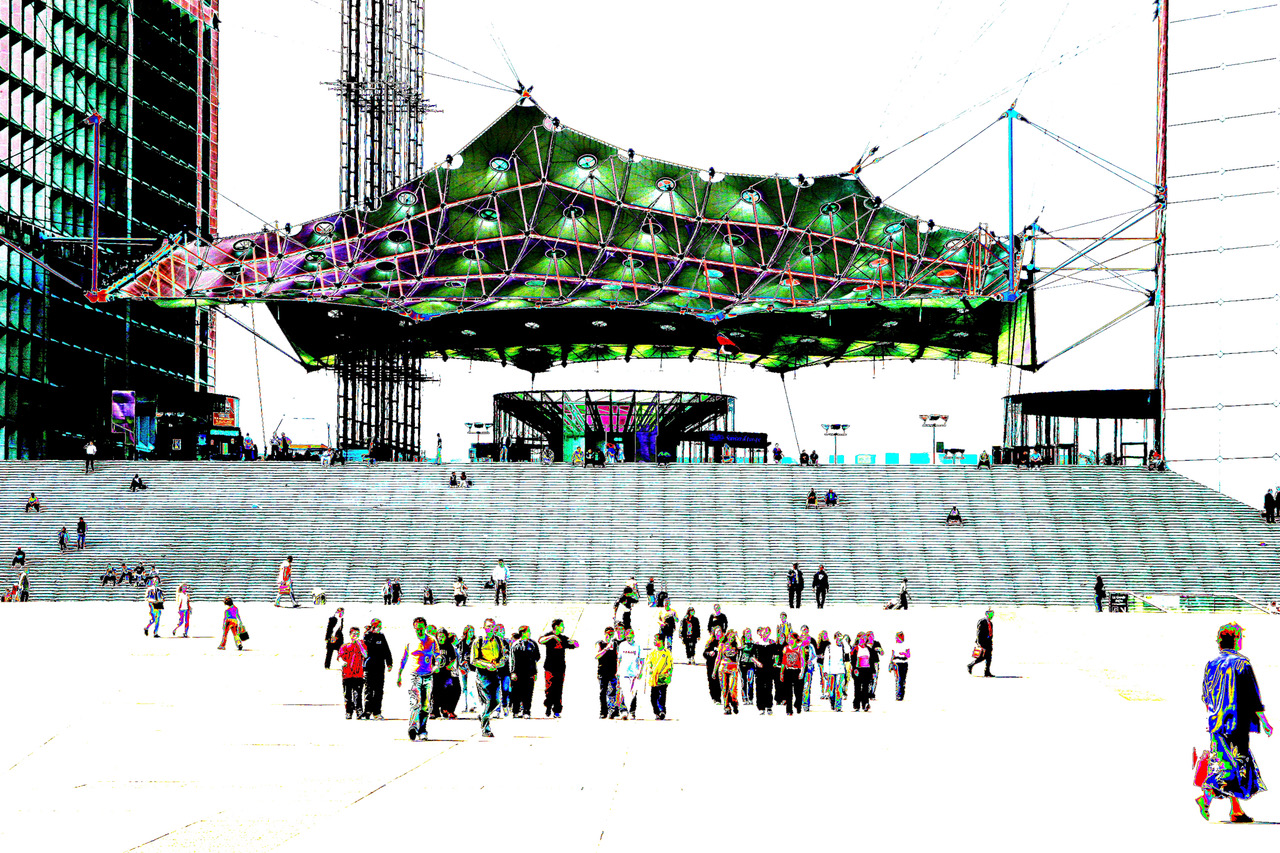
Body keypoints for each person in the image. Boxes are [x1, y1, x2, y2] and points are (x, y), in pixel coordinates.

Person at [1197, 622, 1274, 822]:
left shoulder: (1211, 663)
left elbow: (1206, 695)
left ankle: (1236, 810)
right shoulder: (1242, 663)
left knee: (1226, 761)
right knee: (1236, 765)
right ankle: (1206, 796)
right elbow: (1253, 695)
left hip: (1217, 722)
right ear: (1237, 640)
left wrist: (1211, 716)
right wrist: (1264, 721)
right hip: (1236, 723)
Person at [398, 617, 441, 741]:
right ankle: (412, 727)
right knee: (414, 703)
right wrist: (399, 674)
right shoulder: (410, 641)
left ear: (425, 628)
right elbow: (404, 658)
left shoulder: (432, 640)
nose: (419, 631)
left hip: (427, 675)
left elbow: (438, 655)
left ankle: (422, 729)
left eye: (422, 629)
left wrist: (437, 664)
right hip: (414, 676)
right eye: (417, 629)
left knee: (425, 706)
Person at [471, 618, 506, 737]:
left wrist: (499, 663)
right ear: (484, 628)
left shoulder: (498, 641)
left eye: (493, 626)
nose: (491, 629)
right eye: (489, 626)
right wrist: (486, 665)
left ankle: (483, 716)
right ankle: (485, 728)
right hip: (483, 674)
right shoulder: (478, 641)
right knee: (488, 701)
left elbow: (503, 656)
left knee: (496, 700)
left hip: (494, 673)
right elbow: (473, 660)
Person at [539, 618, 579, 718]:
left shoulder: (563, 638)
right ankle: (548, 706)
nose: (563, 628)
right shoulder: (549, 636)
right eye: (562, 626)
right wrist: (552, 637)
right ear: (556, 626)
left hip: (560, 667)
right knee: (549, 688)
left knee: (558, 689)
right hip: (549, 667)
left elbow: (576, 645)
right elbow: (540, 640)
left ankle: (557, 710)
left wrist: (572, 642)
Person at [363, 619, 393, 720]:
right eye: (377, 626)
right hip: (369, 667)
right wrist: (371, 633)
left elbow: (386, 650)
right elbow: (366, 648)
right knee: (369, 689)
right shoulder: (367, 636)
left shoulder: (381, 636)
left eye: (380, 626)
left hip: (380, 667)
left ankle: (377, 711)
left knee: (379, 690)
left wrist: (389, 663)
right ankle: (367, 711)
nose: (379, 628)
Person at [509, 626, 540, 718]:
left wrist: (534, 672)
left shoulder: (532, 644)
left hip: (529, 672)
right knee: (516, 692)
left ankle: (526, 711)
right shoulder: (516, 645)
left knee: (528, 692)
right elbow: (512, 659)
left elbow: (537, 657)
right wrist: (513, 672)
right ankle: (516, 710)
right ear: (523, 633)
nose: (529, 633)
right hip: (518, 672)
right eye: (528, 631)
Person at [338, 628, 367, 720]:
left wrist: (359, 644)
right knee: (348, 695)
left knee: (358, 694)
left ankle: (359, 711)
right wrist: (342, 662)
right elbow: (340, 657)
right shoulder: (345, 646)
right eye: (354, 634)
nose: (355, 636)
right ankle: (348, 712)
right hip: (347, 674)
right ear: (350, 634)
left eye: (357, 634)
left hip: (358, 674)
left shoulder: (361, 645)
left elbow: (365, 655)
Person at [615, 627, 643, 719]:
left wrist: (640, 671)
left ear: (633, 636)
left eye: (630, 637)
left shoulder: (637, 646)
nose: (629, 639)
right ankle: (623, 711)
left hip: (634, 673)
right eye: (627, 637)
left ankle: (632, 711)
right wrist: (618, 670)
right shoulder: (622, 645)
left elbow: (641, 660)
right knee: (623, 691)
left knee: (633, 693)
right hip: (624, 672)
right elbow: (619, 659)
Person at [647, 634, 673, 720]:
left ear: (661, 641)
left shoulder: (667, 652)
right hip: (654, 678)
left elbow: (669, 665)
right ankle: (656, 711)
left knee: (662, 695)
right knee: (653, 697)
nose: (654, 641)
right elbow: (649, 663)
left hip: (663, 677)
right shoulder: (653, 652)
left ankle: (662, 711)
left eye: (656, 640)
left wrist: (667, 674)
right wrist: (650, 669)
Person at [779, 633, 806, 715]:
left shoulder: (800, 649)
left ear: (795, 639)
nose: (789, 640)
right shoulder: (785, 648)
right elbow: (783, 661)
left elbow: (803, 661)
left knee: (798, 691)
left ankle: (798, 706)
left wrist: (802, 671)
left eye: (791, 638)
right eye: (788, 638)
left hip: (796, 670)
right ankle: (789, 710)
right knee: (788, 691)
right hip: (788, 671)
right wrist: (781, 672)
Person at [596, 626, 619, 718]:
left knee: (613, 691)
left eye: (612, 634)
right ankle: (603, 711)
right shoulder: (600, 643)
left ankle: (612, 710)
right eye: (609, 633)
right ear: (605, 633)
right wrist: (606, 649)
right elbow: (597, 656)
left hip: (613, 670)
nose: (610, 635)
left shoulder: (615, 643)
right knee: (603, 692)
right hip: (602, 670)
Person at [754, 627, 778, 715]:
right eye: (764, 632)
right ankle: (761, 707)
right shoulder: (756, 643)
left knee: (769, 687)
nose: (765, 634)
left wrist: (775, 662)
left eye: (767, 632)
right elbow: (752, 656)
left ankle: (769, 706)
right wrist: (757, 662)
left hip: (769, 667)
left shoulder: (772, 643)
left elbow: (776, 654)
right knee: (760, 687)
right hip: (760, 668)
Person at [717, 629, 741, 715]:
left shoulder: (736, 646)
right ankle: (726, 706)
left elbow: (741, 646)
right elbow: (718, 658)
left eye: (733, 637)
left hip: (733, 668)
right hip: (723, 668)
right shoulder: (722, 645)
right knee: (724, 689)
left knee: (732, 689)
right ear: (727, 636)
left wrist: (737, 636)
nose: (732, 638)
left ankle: (734, 703)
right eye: (730, 636)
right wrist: (714, 670)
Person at [824, 632, 848, 711]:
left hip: (840, 670)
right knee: (831, 690)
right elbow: (826, 660)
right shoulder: (829, 648)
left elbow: (848, 650)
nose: (839, 640)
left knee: (839, 688)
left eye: (840, 639)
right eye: (838, 638)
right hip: (831, 671)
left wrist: (844, 641)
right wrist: (826, 671)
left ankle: (838, 706)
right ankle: (832, 702)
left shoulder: (843, 647)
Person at [967, 609, 994, 676]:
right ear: (987, 614)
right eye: (991, 614)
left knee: (988, 657)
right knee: (982, 657)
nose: (992, 616)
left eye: (992, 614)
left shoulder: (990, 623)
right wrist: (979, 643)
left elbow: (990, 632)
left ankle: (987, 672)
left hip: (989, 642)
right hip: (983, 642)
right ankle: (970, 665)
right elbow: (979, 633)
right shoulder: (982, 621)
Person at [703, 626, 723, 705]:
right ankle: (715, 697)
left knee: (720, 681)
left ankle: (720, 697)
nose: (719, 633)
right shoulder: (711, 642)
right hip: (711, 664)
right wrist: (709, 653)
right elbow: (704, 653)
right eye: (717, 632)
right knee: (712, 681)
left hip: (721, 664)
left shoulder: (723, 642)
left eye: (720, 632)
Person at [890, 632, 911, 700]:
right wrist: (891, 663)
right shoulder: (894, 645)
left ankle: (901, 694)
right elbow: (892, 655)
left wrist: (904, 653)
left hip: (904, 662)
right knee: (898, 678)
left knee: (903, 679)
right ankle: (898, 694)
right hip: (896, 662)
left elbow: (908, 655)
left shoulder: (906, 645)